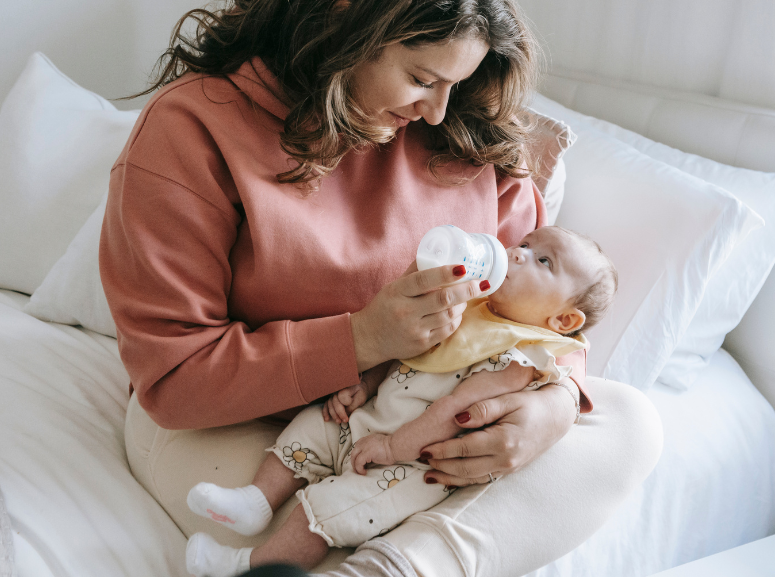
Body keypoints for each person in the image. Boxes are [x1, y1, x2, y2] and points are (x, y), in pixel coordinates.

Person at [100, 0, 663, 577]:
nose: (438, 109)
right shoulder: (192, 130)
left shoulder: (463, 130)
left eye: (455, 84)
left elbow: (536, 321)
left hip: (410, 416)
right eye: (423, 78)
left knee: (629, 422)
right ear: (345, 21)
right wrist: (363, 339)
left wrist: (555, 401)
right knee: (317, 523)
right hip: (233, 423)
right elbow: (176, 379)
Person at [184, 226, 616, 577]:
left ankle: (246, 566)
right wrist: (366, 384)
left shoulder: (519, 356)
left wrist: (393, 448)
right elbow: (406, 349)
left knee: (325, 513)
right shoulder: (470, 302)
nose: (518, 253)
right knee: (312, 429)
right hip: (370, 419)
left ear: (562, 321)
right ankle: (255, 501)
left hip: (410, 463)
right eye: (524, 243)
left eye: (543, 261)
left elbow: (453, 411)